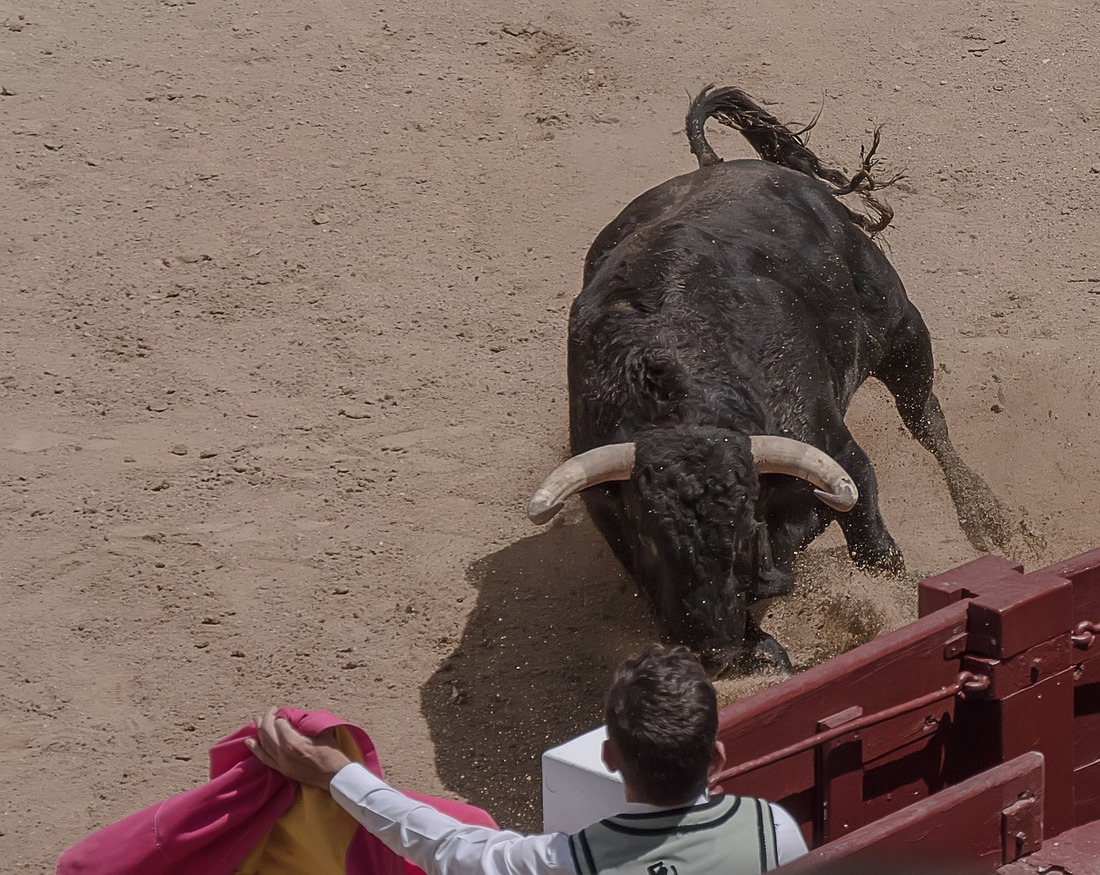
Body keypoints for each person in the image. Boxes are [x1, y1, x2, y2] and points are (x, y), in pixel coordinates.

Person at [247, 644, 808, 874]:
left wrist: (335, 773)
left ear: (610, 755)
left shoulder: (563, 863)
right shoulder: (776, 831)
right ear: (715, 759)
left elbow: (440, 844)